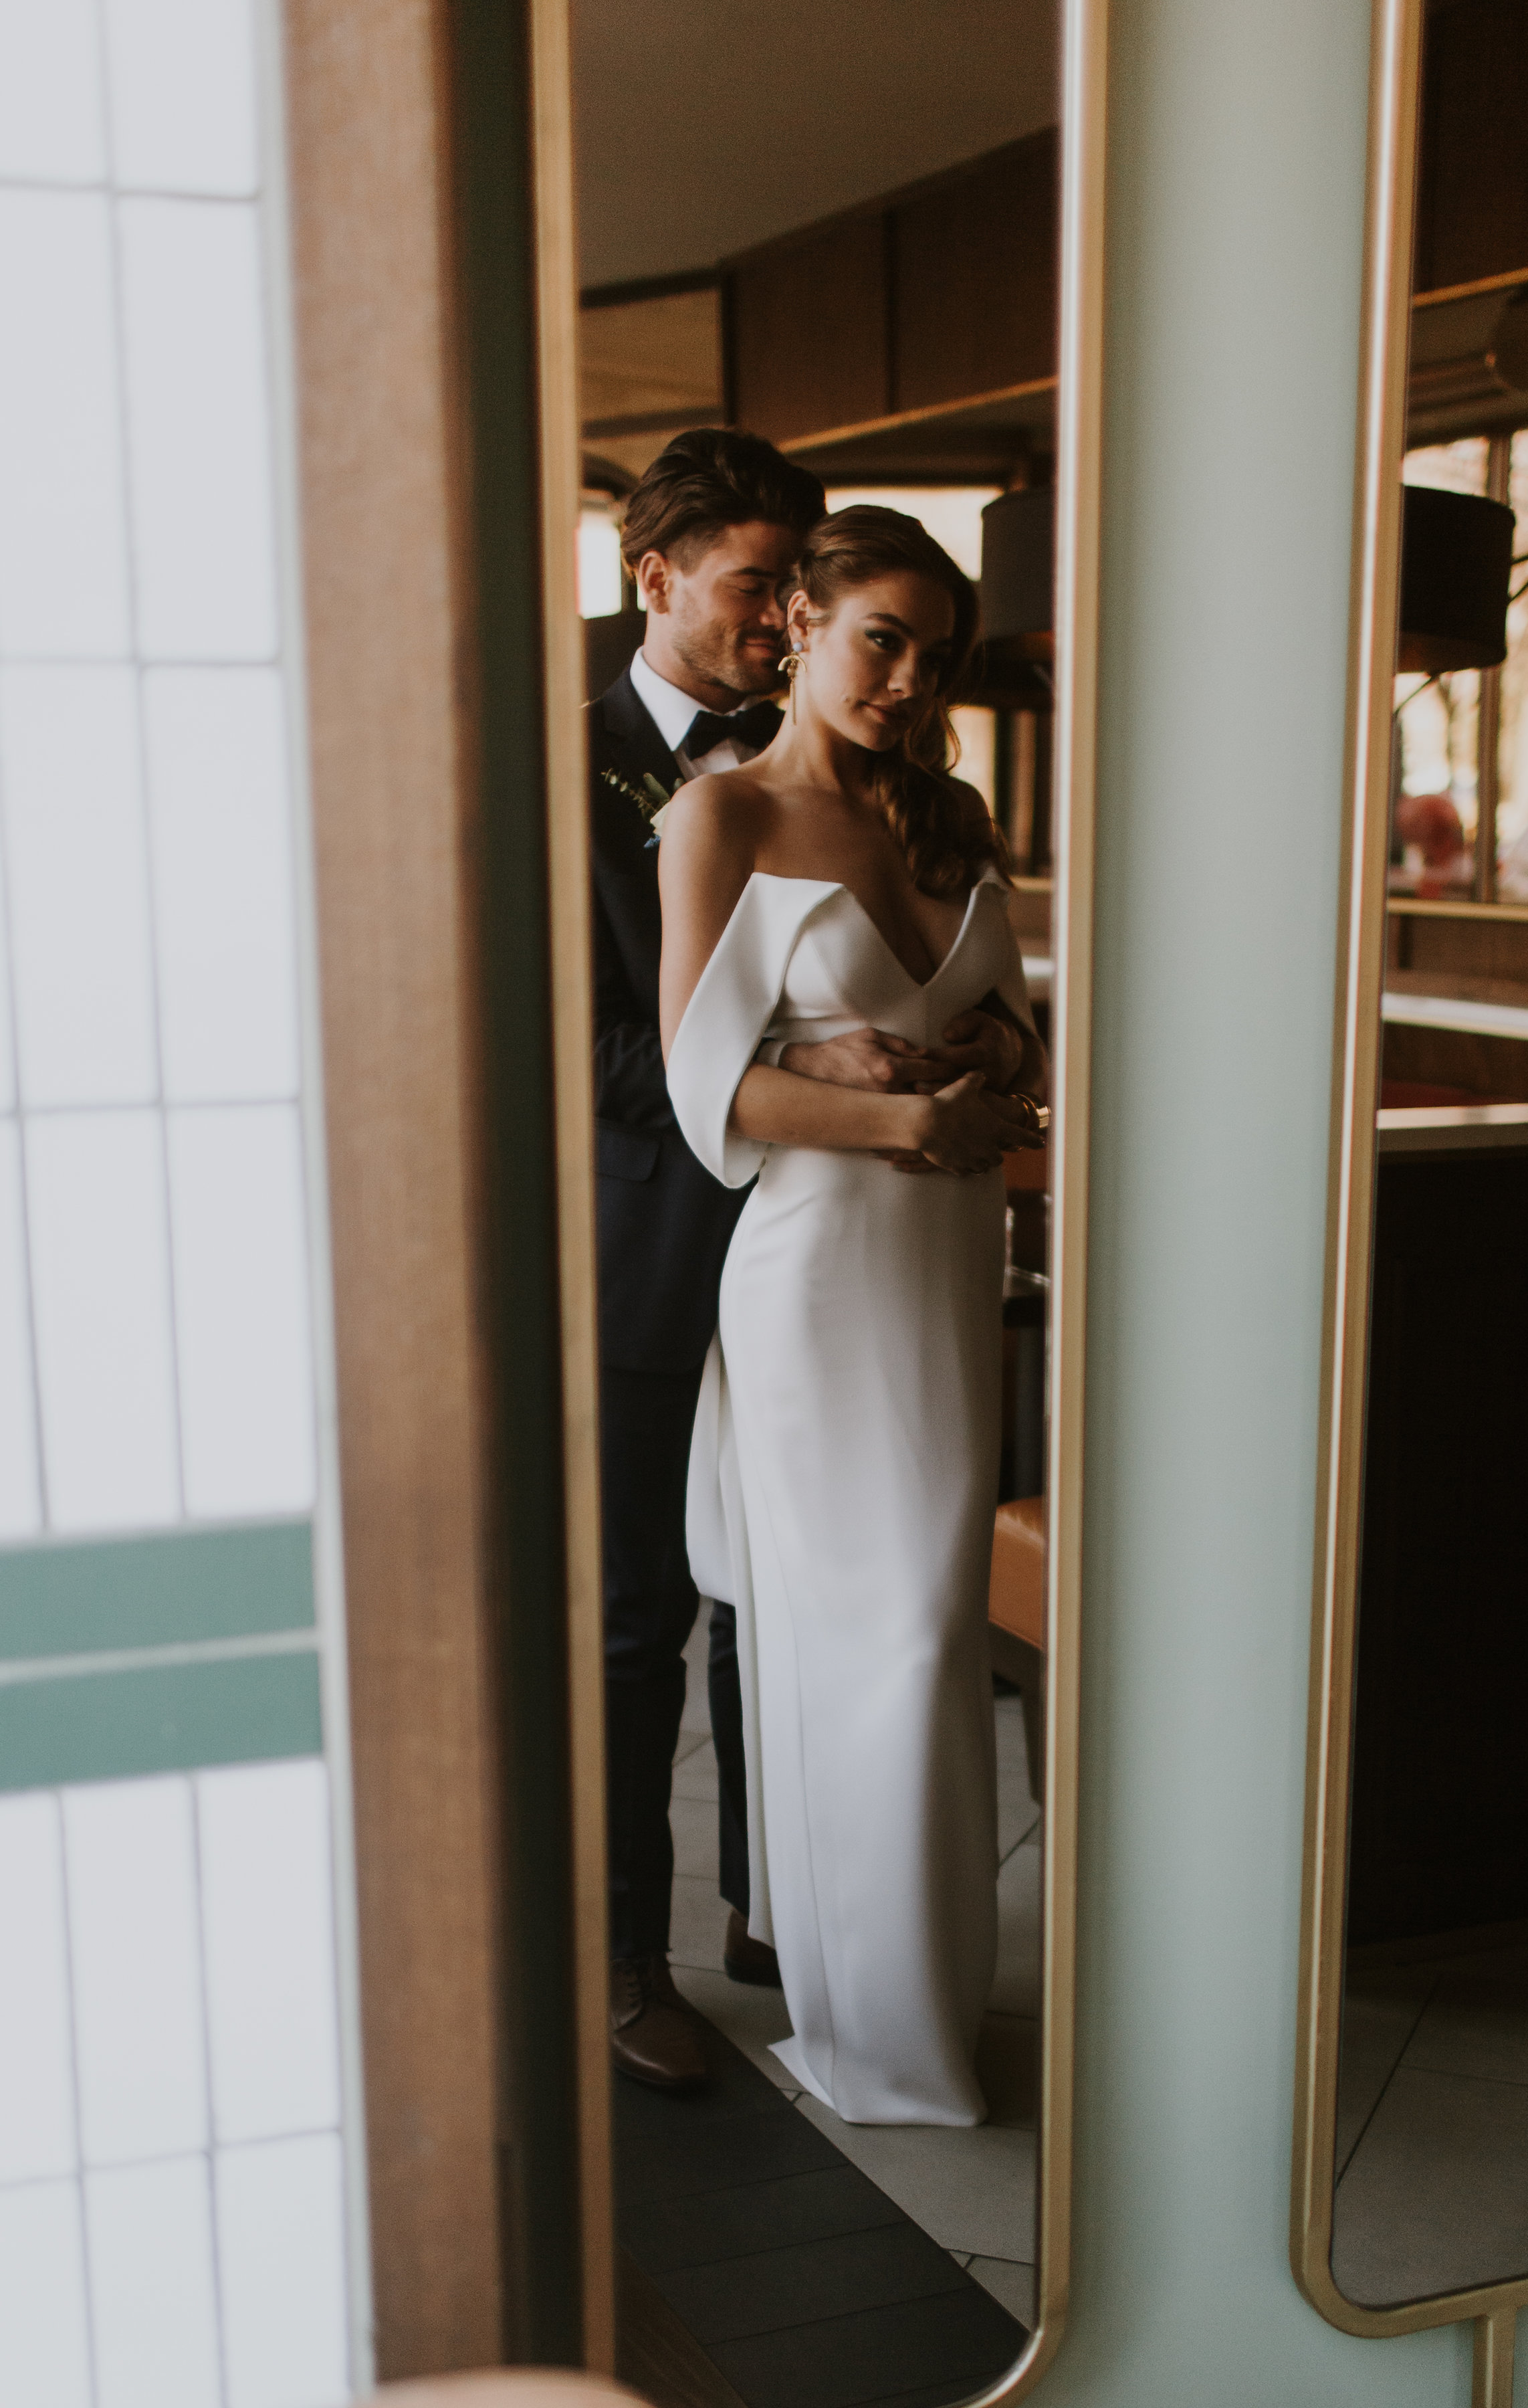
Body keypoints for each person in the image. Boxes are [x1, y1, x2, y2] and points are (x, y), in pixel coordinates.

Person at [659, 506, 1049, 2125]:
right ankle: (869, 2031)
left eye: (930, 653)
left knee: (938, 1631)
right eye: (878, 635)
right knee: (853, 1639)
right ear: (801, 626)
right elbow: (699, 1087)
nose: (902, 676)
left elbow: (1020, 1032)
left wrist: (989, 1083)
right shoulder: (721, 816)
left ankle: (928, 2003)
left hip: (945, 1266)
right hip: (816, 1266)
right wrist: (901, 1121)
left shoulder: (947, 815)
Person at [590, 429, 827, 2093]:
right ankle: (619, 1965)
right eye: (755, 587)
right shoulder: (557, 758)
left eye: (795, 589)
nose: (783, 622)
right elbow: (570, 1037)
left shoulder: (823, 758)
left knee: (779, 1600)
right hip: (647, 1250)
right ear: (653, 575)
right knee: (636, 1623)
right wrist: (791, 1093)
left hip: (816, 1251)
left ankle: (773, 1905)